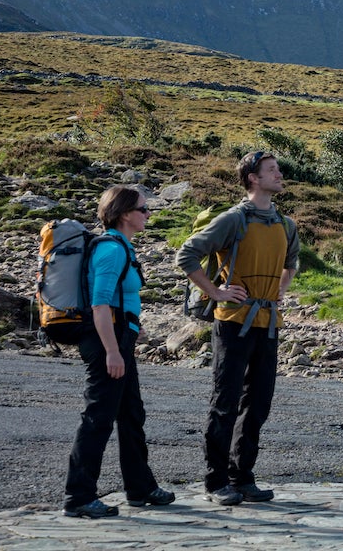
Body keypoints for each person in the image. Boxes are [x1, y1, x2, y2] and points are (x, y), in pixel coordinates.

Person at [177, 150, 299, 505]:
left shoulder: (285, 224)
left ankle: (242, 478)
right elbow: (186, 254)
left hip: (269, 323)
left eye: (278, 168)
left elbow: (292, 262)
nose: (279, 174)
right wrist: (215, 291)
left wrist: (282, 288)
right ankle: (216, 483)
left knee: (258, 404)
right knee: (225, 402)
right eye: (271, 170)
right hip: (232, 323)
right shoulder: (233, 219)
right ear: (252, 179)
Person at [63, 185, 175, 518]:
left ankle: (140, 488)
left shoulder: (122, 247)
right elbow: (100, 304)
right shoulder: (111, 250)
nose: (148, 214)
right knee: (98, 419)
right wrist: (112, 352)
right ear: (125, 213)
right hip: (107, 342)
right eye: (143, 209)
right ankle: (78, 497)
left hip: (119, 340)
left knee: (131, 415)